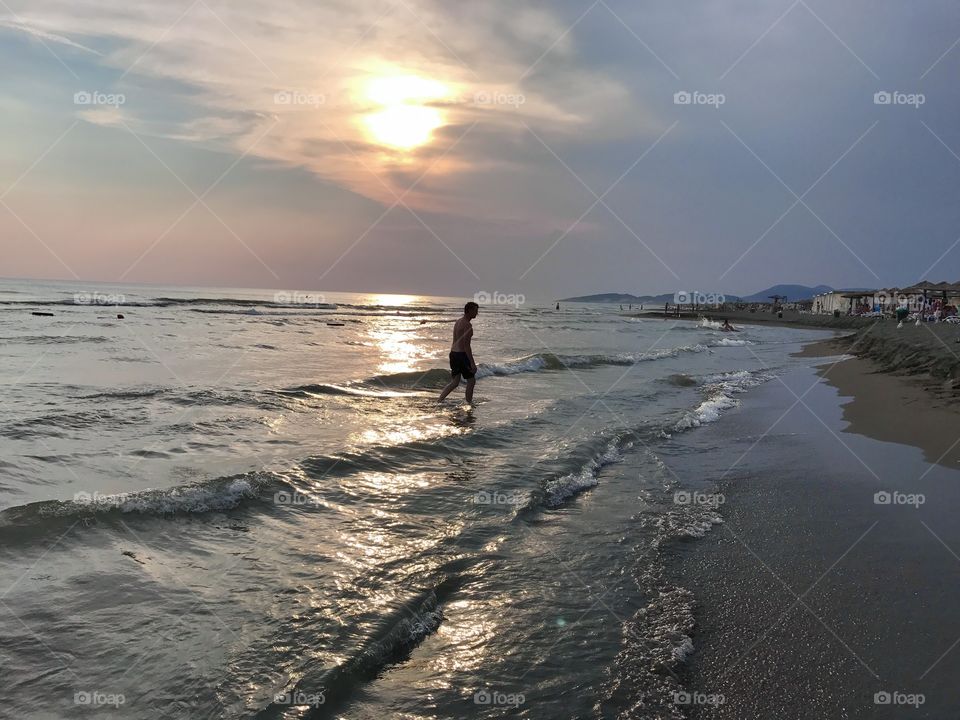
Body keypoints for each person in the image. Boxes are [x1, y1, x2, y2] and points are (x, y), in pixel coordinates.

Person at [438, 301, 479, 403]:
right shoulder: (467, 325)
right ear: (469, 311)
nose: (477, 313)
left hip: (453, 354)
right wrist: (472, 363)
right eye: (475, 311)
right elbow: (466, 346)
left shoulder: (458, 322)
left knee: (455, 382)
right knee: (471, 380)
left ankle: (439, 400)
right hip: (461, 355)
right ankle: (469, 403)